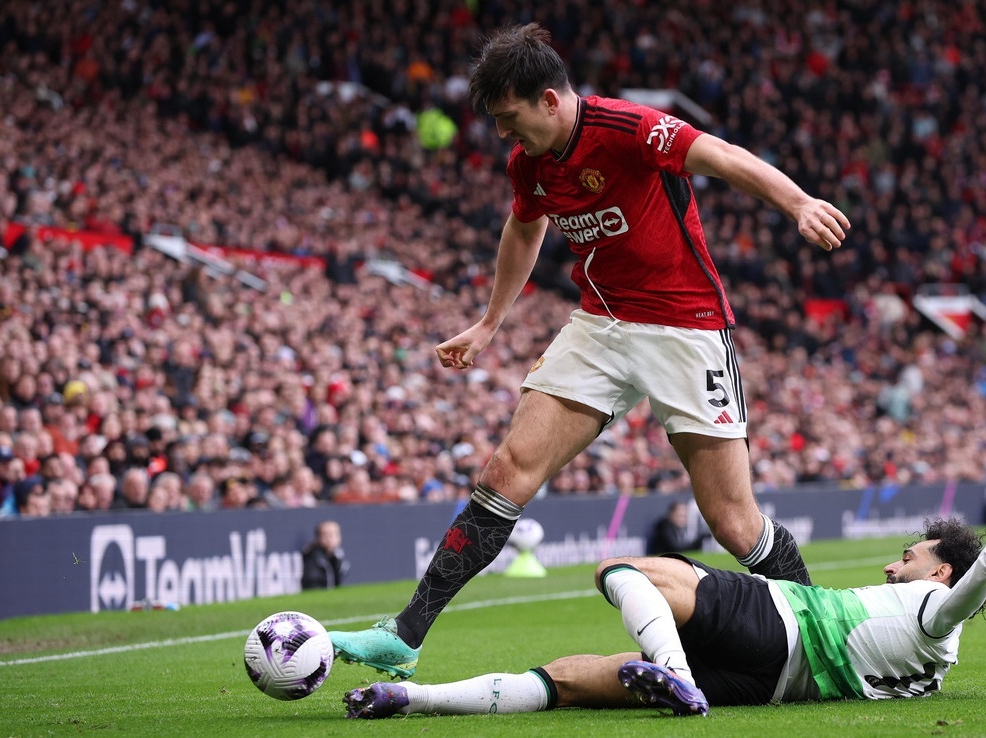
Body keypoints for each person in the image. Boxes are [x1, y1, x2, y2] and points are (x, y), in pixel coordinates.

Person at [329, 21, 850, 680]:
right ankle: (407, 635)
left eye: (510, 118)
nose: (502, 135)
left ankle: (831, 641)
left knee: (732, 521)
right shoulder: (531, 161)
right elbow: (524, 230)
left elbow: (720, 153)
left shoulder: (631, 129)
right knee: (505, 470)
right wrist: (490, 322)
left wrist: (797, 202)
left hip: (685, 330)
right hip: (600, 324)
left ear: (550, 100)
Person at [342, 501, 986, 719]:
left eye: (909, 557)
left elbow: (950, 611)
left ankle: (671, 669)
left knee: (619, 569)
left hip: (782, 621)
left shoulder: (934, 607)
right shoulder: (930, 672)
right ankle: (409, 698)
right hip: (768, 687)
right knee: (571, 679)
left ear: (941, 572)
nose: (895, 564)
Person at [301, 520, 350, 590]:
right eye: (325, 535)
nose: (330, 539)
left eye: (334, 535)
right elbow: (312, 584)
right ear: (318, 538)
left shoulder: (338, 557)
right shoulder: (313, 557)